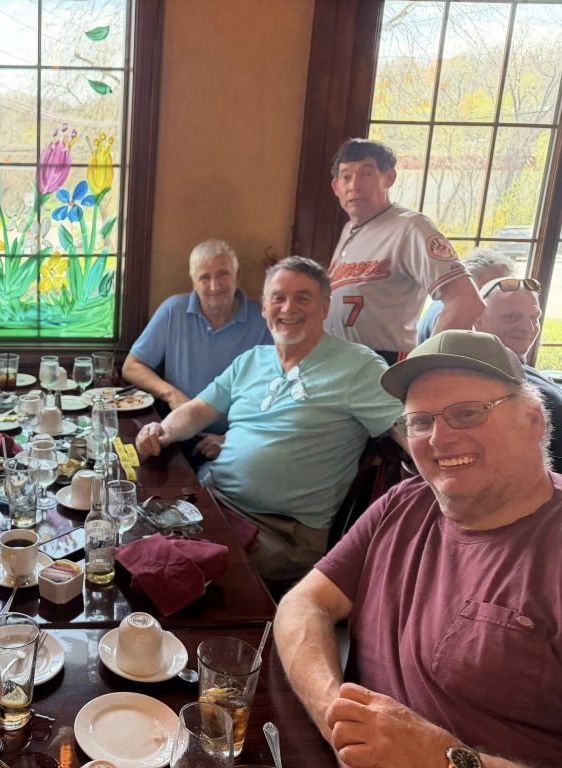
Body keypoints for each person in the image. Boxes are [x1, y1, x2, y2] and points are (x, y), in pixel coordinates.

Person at [274, 330, 562, 768]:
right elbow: (304, 603)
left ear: (532, 421)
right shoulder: (405, 502)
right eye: (421, 422)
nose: (439, 438)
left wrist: (442, 758)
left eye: (467, 413)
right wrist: (337, 719)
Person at [136, 256, 402, 587]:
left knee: (165, 576)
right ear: (264, 307)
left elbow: (407, 429)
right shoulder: (252, 360)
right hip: (212, 502)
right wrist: (162, 431)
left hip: (280, 534)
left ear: (324, 307)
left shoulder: (358, 366)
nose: (288, 308)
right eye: (278, 297)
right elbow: (197, 411)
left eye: (303, 298)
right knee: (130, 534)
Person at [325, 138, 484, 362]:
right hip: (338, 363)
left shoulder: (411, 228)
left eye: (366, 174)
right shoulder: (349, 230)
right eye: (346, 176)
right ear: (336, 187)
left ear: (389, 178)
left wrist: (425, 365)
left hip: (382, 364)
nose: (355, 185)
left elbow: (466, 301)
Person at [121, 239, 272, 459]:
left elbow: (275, 395)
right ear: (194, 282)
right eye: (205, 277)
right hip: (175, 436)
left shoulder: (264, 320)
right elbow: (131, 366)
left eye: (223, 274)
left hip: (237, 444)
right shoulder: (173, 310)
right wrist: (172, 395)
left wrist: (231, 439)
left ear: (237, 276)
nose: (214, 286)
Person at [473, 275, 562, 472]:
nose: (528, 328)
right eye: (511, 317)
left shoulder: (519, 366)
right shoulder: (485, 379)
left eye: (534, 317)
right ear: (478, 320)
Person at [417, 248, 514, 343]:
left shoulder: (442, 305)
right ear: (473, 284)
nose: (506, 294)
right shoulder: (460, 314)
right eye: (497, 285)